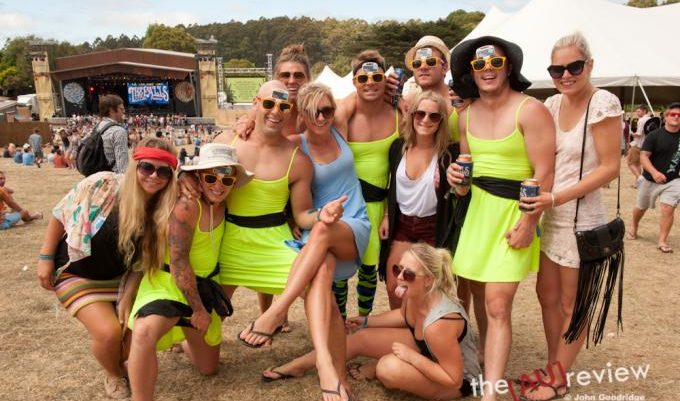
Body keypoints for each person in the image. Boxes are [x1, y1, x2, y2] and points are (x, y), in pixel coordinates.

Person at [239, 82, 369, 401]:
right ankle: (333, 374)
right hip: (317, 224)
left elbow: (362, 91)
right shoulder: (296, 145)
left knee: (323, 233)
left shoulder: (340, 127)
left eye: (326, 110)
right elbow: (265, 136)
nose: (321, 117)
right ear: (303, 115)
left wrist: (399, 96)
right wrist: (245, 120)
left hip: (352, 222)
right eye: (313, 112)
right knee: (322, 278)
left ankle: (278, 310)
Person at [447, 36, 556, 401]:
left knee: (497, 303)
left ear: (509, 67)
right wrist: (456, 180)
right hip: (478, 212)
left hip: (515, 213)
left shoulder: (531, 110)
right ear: (471, 72)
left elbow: (545, 172)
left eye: (495, 62)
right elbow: (466, 174)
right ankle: (484, 355)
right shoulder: (466, 115)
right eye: (479, 64)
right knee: (480, 294)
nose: (487, 70)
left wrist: (529, 224)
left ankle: (491, 393)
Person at [518, 32, 623, 401]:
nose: (565, 75)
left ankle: (557, 378)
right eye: (557, 69)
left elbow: (610, 167)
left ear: (589, 65)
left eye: (574, 67)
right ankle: (554, 369)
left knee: (571, 304)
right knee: (545, 294)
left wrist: (555, 197)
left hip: (583, 221)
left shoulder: (603, 103)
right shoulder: (550, 105)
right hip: (552, 217)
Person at [36, 137, 178, 399]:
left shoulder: (163, 209)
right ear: (135, 165)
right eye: (147, 167)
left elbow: (142, 262)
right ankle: (114, 373)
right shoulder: (104, 184)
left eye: (163, 171)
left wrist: (128, 295)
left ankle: (118, 361)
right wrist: (45, 257)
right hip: (77, 274)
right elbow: (60, 214)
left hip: (121, 278)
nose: (154, 176)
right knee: (109, 334)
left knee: (135, 335)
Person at [263, 243, 481, 401]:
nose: (400, 277)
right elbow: (403, 316)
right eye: (397, 269)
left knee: (388, 367)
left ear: (429, 280)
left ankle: (377, 368)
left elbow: (452, 378)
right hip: (428, 351)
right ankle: (298, 366)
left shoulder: (439, 324)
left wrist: (411, 357)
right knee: (360, 338)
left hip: (459, 381)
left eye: (408, 274)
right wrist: (367, 321)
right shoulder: (417, 294)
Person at [127, 143, 252, 401]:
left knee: (209, 369)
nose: (218, 185)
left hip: (205, 283)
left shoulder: (227, 202)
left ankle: (183, 340)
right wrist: (198, 309)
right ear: (199, 176)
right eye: (210, 177)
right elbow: (179, 261)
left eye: (227, 179)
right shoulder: (187, 205)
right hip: (168, 282)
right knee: (144, 332)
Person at [332, 50, 400, 319]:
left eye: (376, 77)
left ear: (385, 79)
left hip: (378, 205)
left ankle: (363, 319)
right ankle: (339, 320)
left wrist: (388, 213)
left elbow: (401, 169)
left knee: (369, 269)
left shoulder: (399, 113)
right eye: (363, 78)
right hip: (347, 204)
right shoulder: (344, 113)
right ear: (354, 82)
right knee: (340, 270)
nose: (370, 82)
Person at [381, 91, 460, 310]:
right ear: (412, 115)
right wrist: (387, 215)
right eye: (420, 113)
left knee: (428, 291)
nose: (426, 120)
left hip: (433, 227)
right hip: (402, 225)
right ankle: (402, 327)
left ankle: (424, 330)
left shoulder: (449, 153)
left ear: (441, 121)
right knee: (394, 286)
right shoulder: (398, 147)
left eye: (434, 116)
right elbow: (390, 186)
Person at [628, 102, 680, 254]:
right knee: (641, 207)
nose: (676, 117)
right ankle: (634, 225)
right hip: (649, 179)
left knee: (668, 208)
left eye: (679, 115)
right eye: (673, 114)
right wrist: (655, 173)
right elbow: (644, 157)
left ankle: (662, 241)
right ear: (666, 116)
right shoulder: (654, 135)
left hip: (672, 180)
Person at [96, 94, 129, 173]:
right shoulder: (118, 131)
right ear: (111, 110)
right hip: (112, 176)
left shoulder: (97, 126)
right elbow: (122, 166)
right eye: (121, 109)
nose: (124, 111)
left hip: (97, 175)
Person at [626, 104, 651, 181]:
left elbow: (639, 134)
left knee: (630, 162)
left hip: (638, 145)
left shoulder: (641, 120)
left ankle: (640, 179)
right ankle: (638, 181)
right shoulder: (650, 119)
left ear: (644, 111)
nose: (637, 113)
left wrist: (631, 133)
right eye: (637, 111)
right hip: (647, 145)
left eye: (639, 111)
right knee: (638, 163)